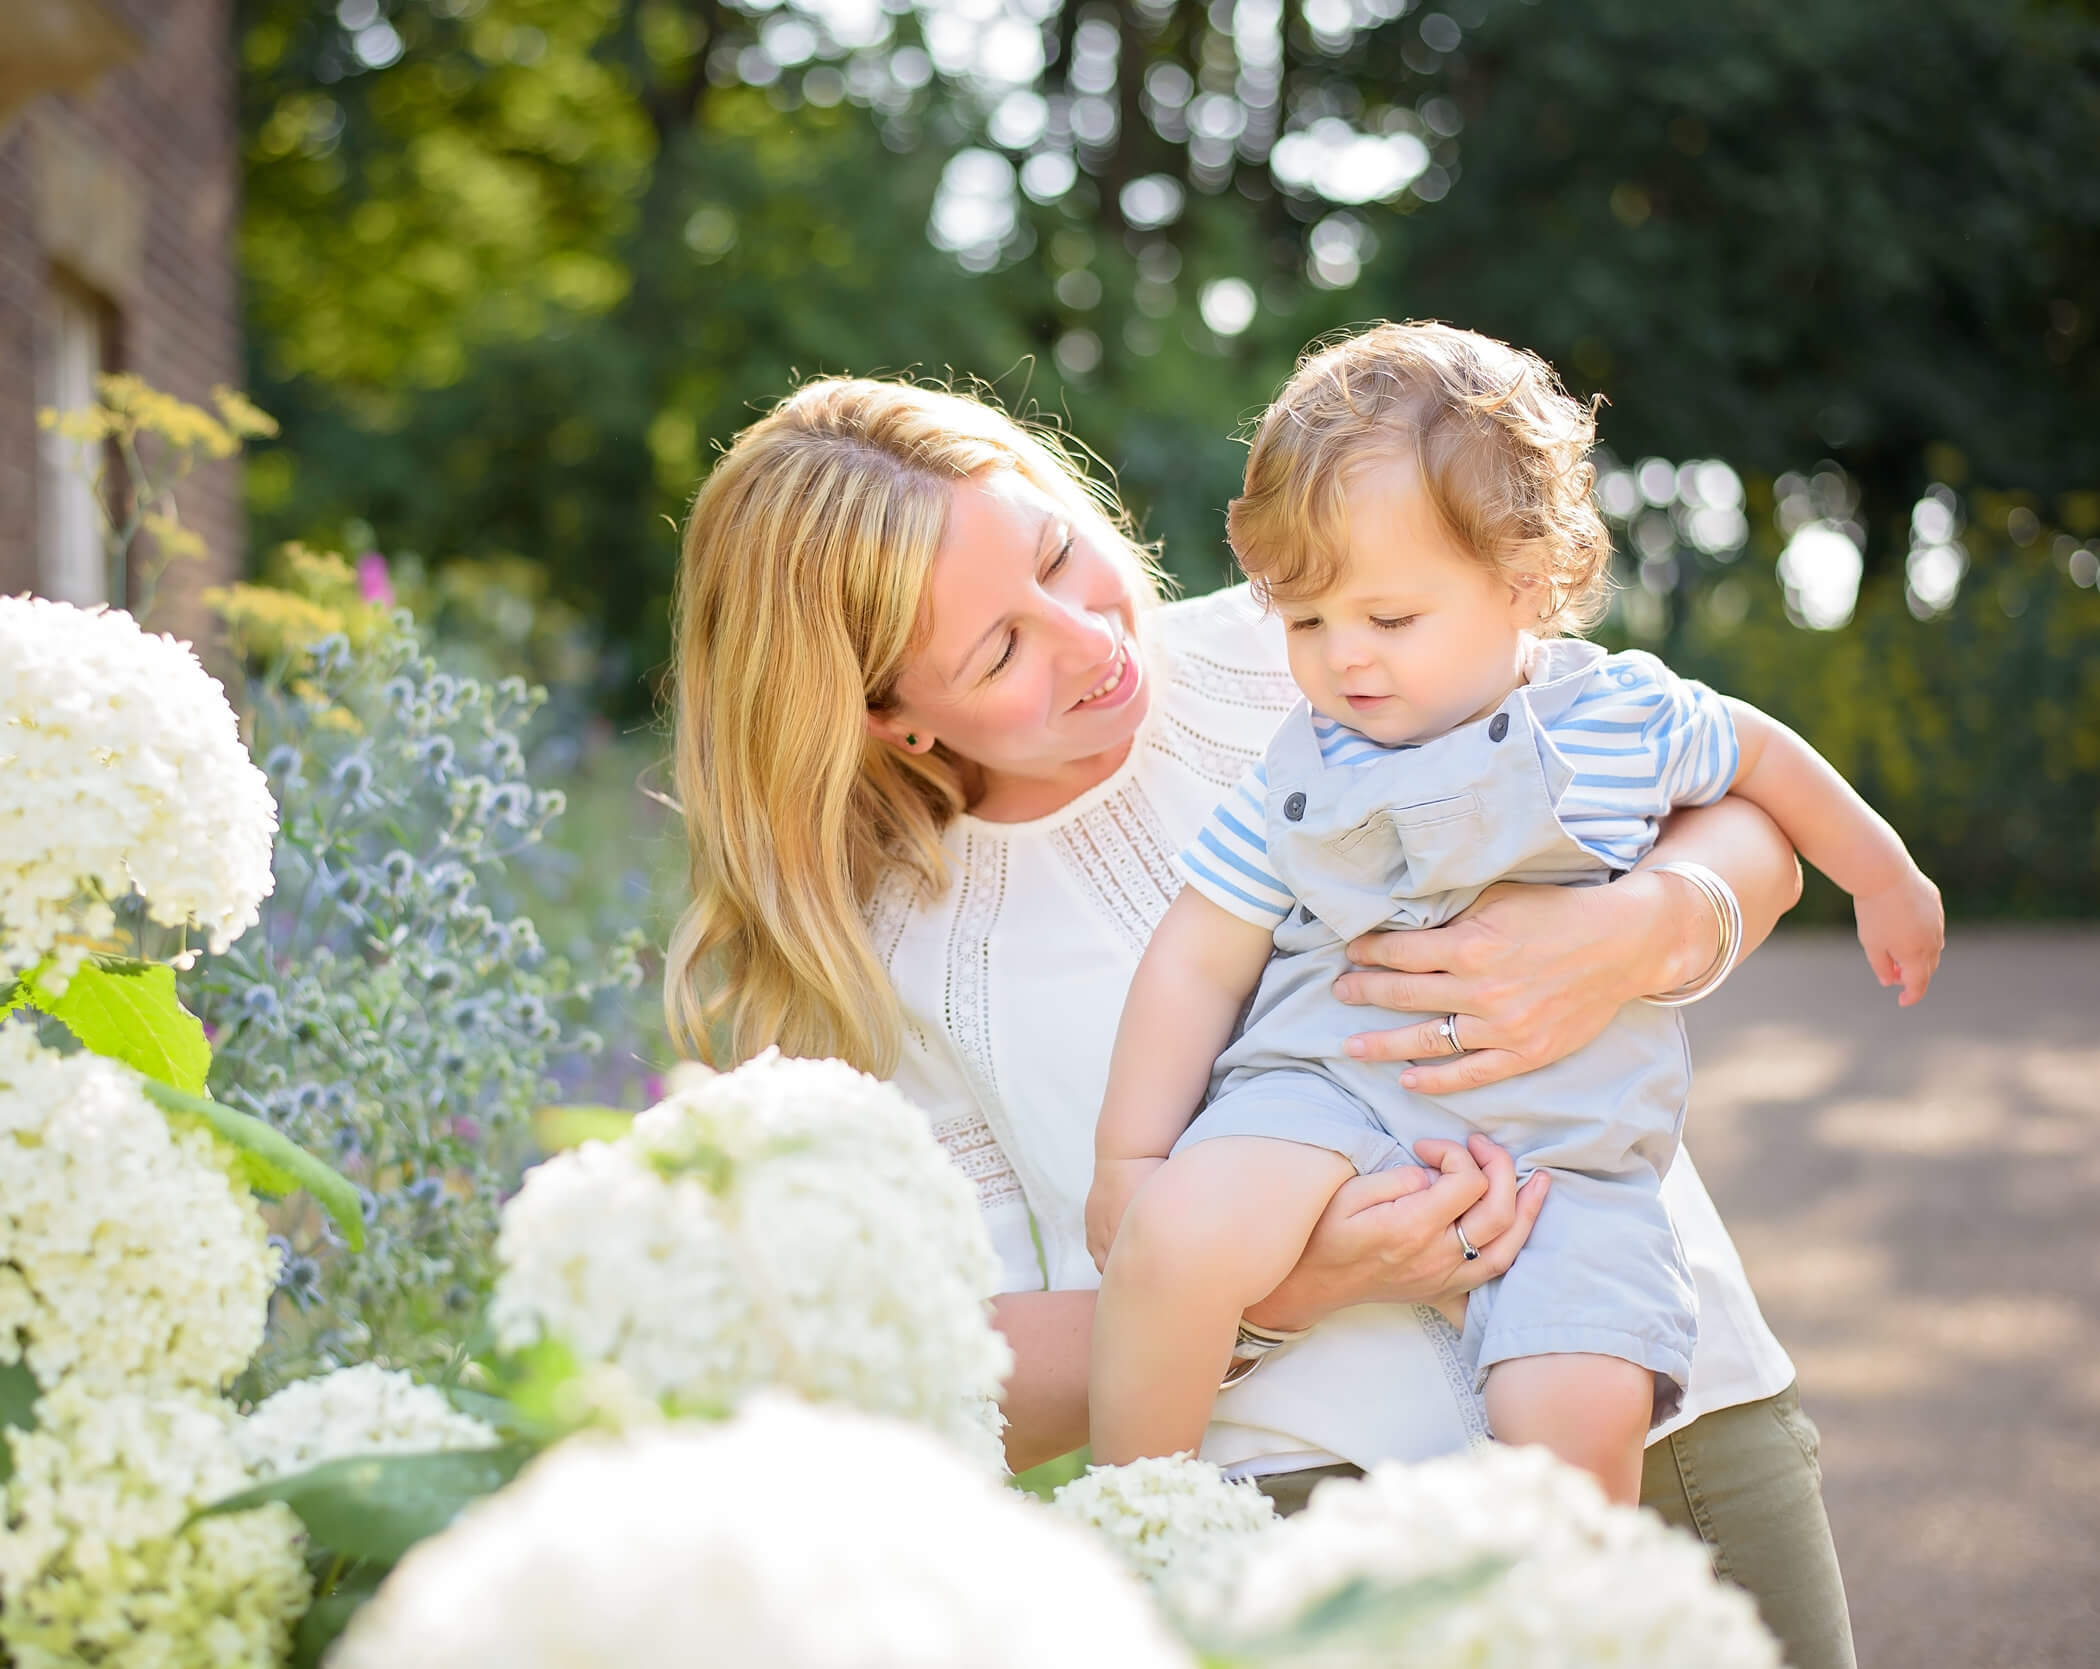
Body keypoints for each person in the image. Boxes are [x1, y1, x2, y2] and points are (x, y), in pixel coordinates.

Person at [663, 374, 1857, 1668]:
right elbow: (963, 1369)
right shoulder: (887, 957)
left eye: (1060, 553)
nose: (1084, 637)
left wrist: (1652, 924)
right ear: (891, 719)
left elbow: (1738, 800)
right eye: (998, 650)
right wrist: (1282, 1289)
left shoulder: (1325, 630)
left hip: (1666, 1409)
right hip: (1300, 1521)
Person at [1083, 323, 1943, 1506]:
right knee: (1174, 1238)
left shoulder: (1619, 717)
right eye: (1304, 621)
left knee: (1587, 1406)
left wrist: (1884, 873)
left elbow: (1763, 760)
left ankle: (1550, 1600)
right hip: (1326, 1093)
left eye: (1387, 619)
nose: (1343, 661)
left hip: (1566, 1155)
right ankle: (1141, 1520)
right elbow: (1197, 955)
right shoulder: (1297, 770)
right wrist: (1131, 1158)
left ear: (1521, 585)